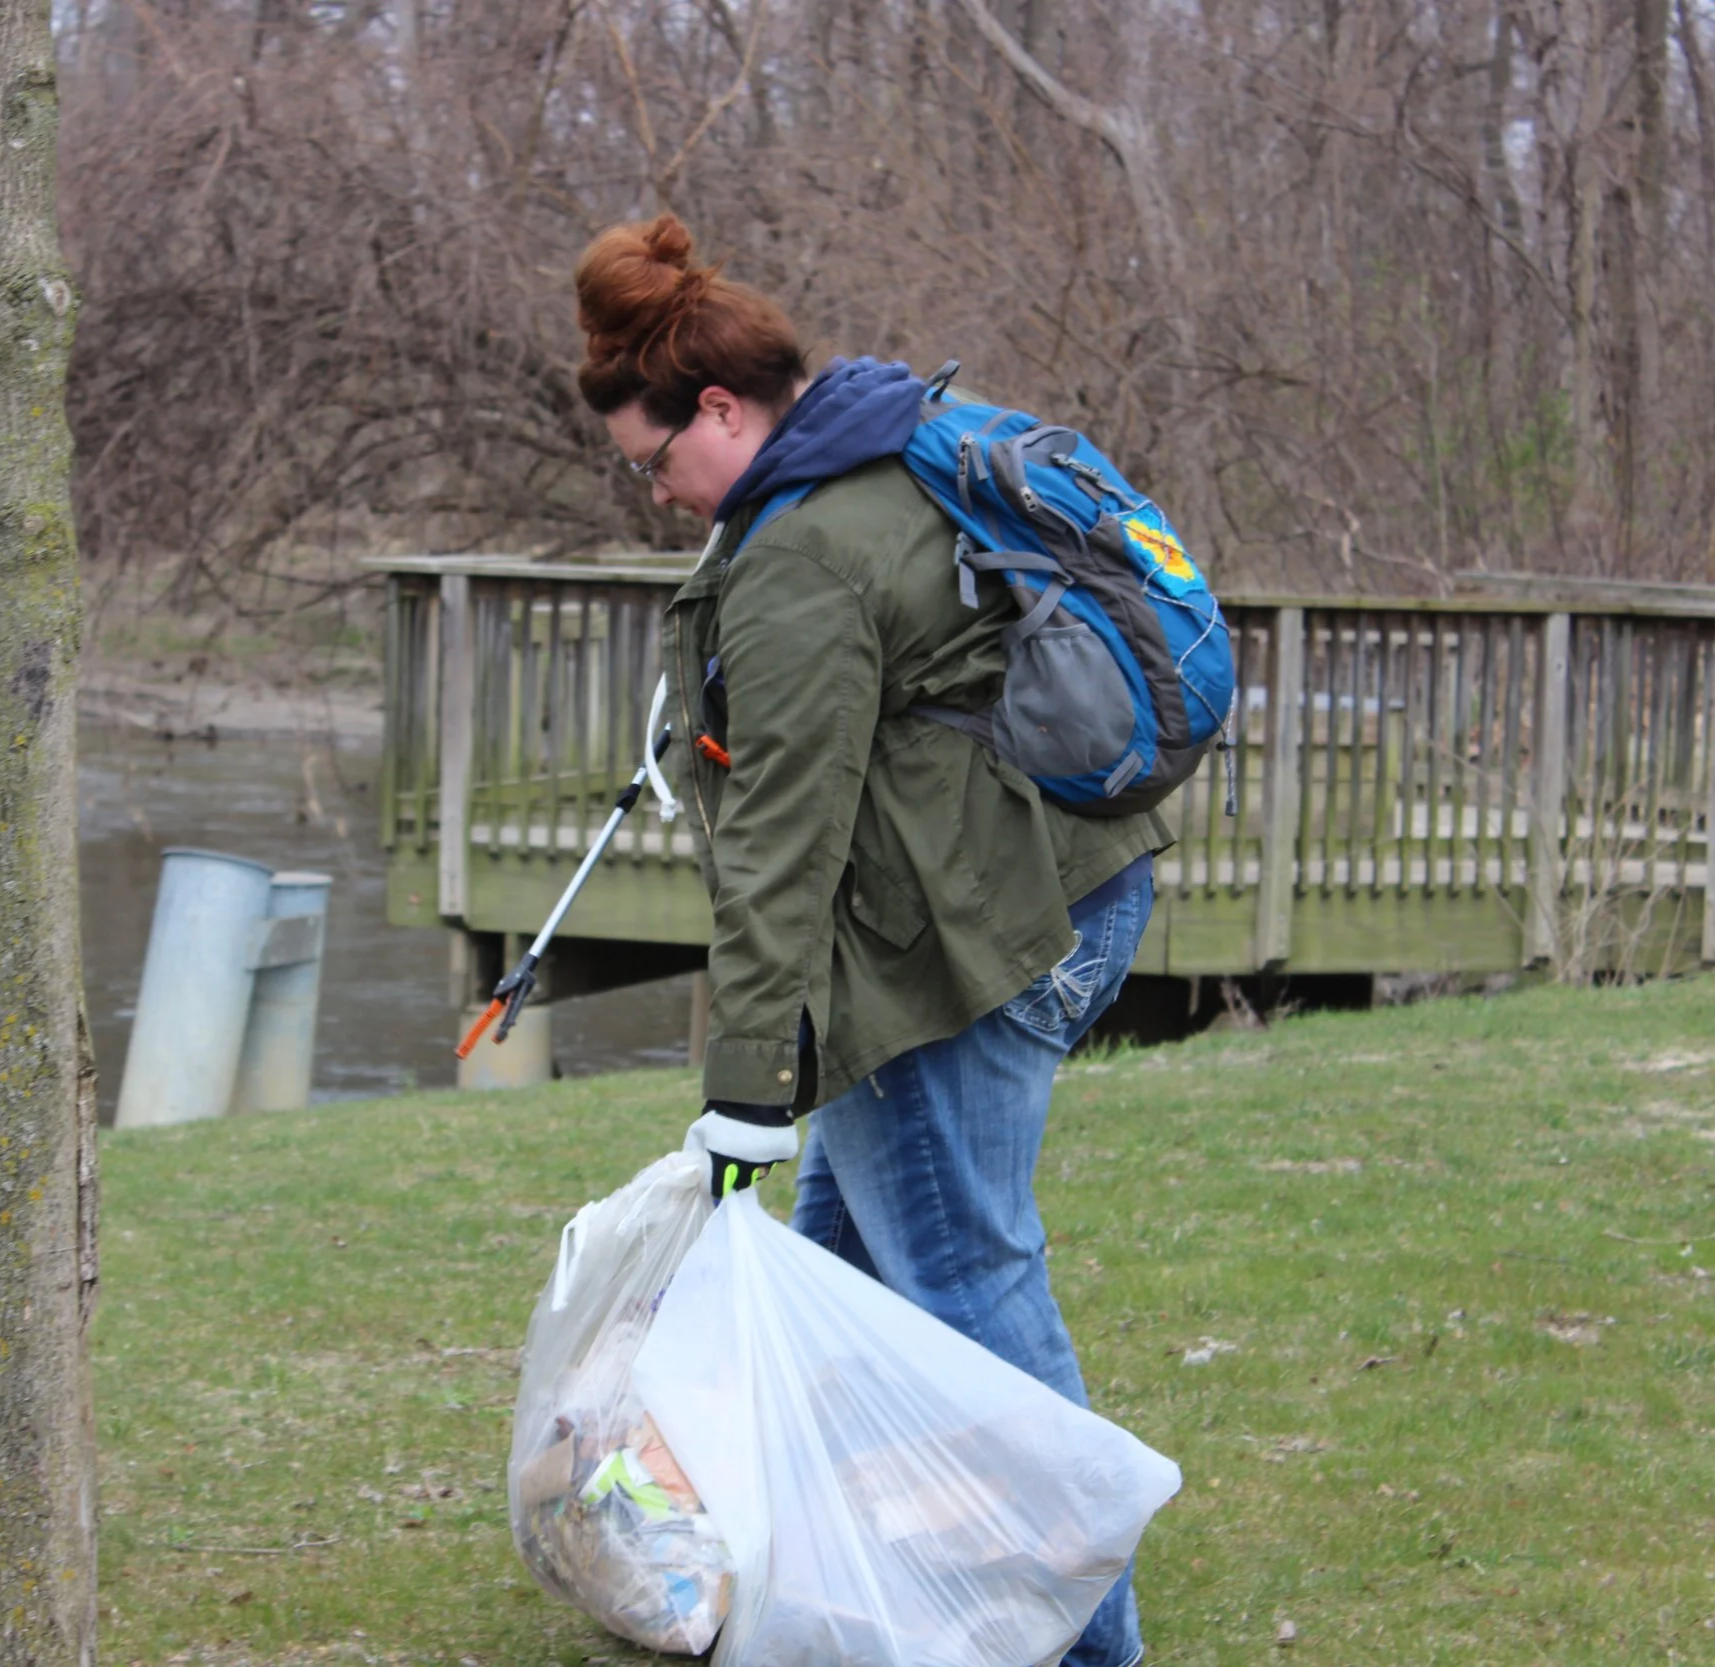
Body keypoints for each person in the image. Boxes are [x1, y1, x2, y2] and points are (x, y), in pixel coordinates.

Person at [572, 212, 1173, 1667]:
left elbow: (782, 845)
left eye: (657, 460)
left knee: (963, 1274)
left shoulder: (798, 556)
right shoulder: (875, 451)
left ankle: (1097, 1645)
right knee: (835, 1259)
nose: (657, 494)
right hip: (1057, 890)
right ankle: (803, 1581)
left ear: (720, 409)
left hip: (964, 942)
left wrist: (740, 1095)